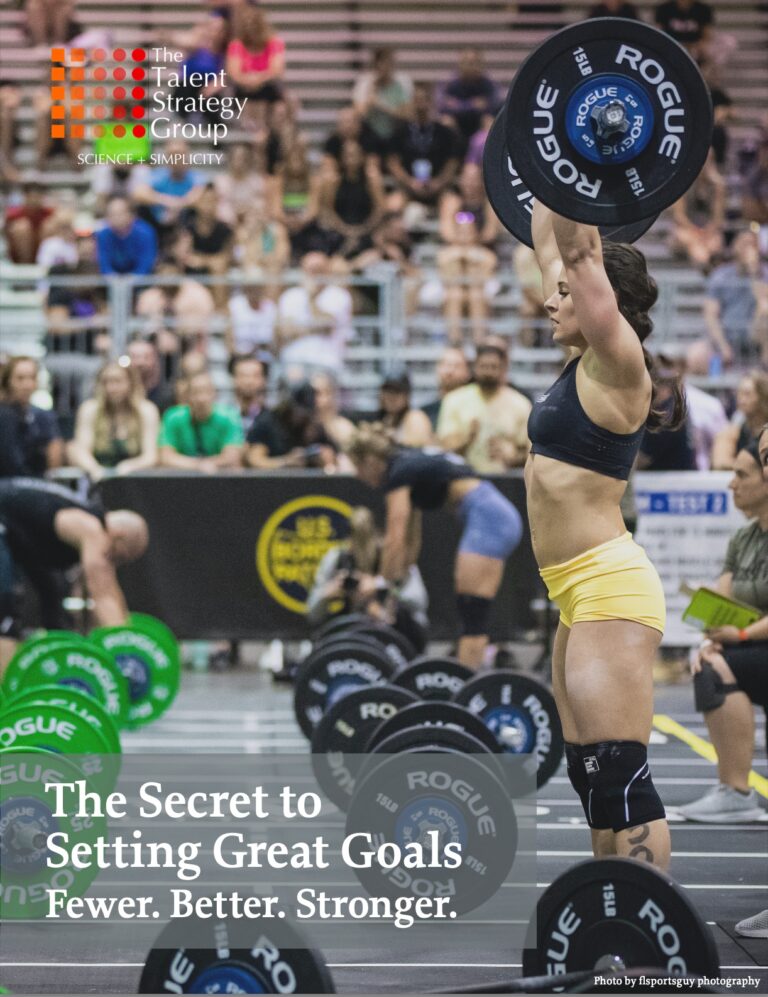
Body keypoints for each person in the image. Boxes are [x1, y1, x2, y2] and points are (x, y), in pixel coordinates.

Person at [526, 199, 687, 870]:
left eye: (566, 293)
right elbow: (548, 246)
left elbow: (579, 254)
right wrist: (546, 163)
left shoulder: (618, 362)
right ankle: (608, 910)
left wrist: (576, 173)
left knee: (620, 772)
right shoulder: (582, 359)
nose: (549, 302)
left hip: (607, 588)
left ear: (603, 302)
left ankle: (651, 939)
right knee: (590, 776)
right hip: (575, 596)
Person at [346, 423, 522, 667]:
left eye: (357, 466)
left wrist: (380, 583)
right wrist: (396, 579)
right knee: (470, 610)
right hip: (491, 512)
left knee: (473, 611)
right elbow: (411, 536)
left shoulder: (399, 472)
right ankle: (466, 681)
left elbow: (394, 537)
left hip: (489, 516)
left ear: (371, 461)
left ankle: (466, 688)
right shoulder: (409, 463)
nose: (357, 475)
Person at [680, 441, 768, 825]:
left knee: (719, 665)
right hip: (755, 647)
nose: (732, 484)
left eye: (742, 475)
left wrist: (742, 636)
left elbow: (743, 630)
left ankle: (737, 792)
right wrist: (711, 637)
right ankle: (734, 791)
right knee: (707, 660)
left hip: (756, 644)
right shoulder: (744, 539)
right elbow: (721, 597)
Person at [0, 477, 148, 642]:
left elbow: (109, 588)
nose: (114, 562)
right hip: (4, 521)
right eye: (120, 557)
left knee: (54, 598)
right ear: (119, 536)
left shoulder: (83, 512)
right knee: (5, 604)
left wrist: (124, 623)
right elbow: (102, 594)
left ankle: (55, 648)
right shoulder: (91, 528)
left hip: (16, 528)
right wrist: (125, 643)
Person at [306, 505, 429, 652]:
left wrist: (380, 585)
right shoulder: (338, 558)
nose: (360, 547)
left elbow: (419, 602)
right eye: (356, 539)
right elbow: (312, 612)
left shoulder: (392, 558)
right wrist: (329, 593)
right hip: (350, 626)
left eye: (365, 539)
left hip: (393, 630)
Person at [437, 340, 531, 473]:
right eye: (483, 366)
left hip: (507, 479)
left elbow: (529, 453)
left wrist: (512, 456)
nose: (488, 372)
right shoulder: (454, 400)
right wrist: (467, 439)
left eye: (494, 367)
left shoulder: (520, 403)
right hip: (462, 478)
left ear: (503, 369)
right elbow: (443, 448)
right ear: (475, 367)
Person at [437, 163, 499, 343]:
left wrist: (471, 243)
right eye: (467, 178)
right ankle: (454, 342)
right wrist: (464, 243)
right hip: (455, 277)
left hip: (480, 273)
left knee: (476, 294)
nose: (470, 183)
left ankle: (480, 342)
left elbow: (490, 233)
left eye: (474, 178)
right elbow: (446, 232)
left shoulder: (489, 202)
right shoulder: (453, 201)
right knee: (455, 294)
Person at [68, 361, 159, 481]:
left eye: (117, 381)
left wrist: (129, 466)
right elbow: (80, 451)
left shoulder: (147, 410)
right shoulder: (89, 410)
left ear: (131, 382)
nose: (112, 387)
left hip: (135, 483)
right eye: (106, 382)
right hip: (97, 480)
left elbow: (151, 456)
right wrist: (94, 469)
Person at [275, 252, 353, 376]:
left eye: (318, 270)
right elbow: (285, 331)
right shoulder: (290, 296)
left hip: (326, 361)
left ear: (327, 271)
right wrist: (313, 328)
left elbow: (326, 325)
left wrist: (311, 298)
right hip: (294, 361)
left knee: (319, 382)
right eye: (310, 270)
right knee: (293, 378)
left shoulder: (339, 295)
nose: (313, 275)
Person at [388, 83, 460, 209]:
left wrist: (438, 182)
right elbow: (393, 162)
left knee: (452, 205)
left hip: (438, 188)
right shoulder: (400, 131)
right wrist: (409, 182)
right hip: (408, 188)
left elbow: (452, 162)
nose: (421, 105)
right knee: (393, 205)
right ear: (411, 103)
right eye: (417, 100)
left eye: (424, 100)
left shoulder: (444, 132)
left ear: (431, 102)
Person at [704, 231, 768, 366]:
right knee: (696, 356)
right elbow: (710, 314)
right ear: (734, 247)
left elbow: (763, 303)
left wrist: (753, 272)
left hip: (756, 335)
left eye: (752, 244)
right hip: (727, 335)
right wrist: (723, 345)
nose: (748, 249)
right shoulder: (721, 275)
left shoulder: (764, 274)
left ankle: (763, 369)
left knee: (765, 309)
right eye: (744, 244)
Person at [158, 370, 243, 472]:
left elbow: (231, 457)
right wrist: (199, 465)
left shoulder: (229, 416)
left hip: (220, 477)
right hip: (182, 478)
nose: (201, 398)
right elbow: (165, 457)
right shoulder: (173, 416)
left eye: (206, 392)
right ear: (187, 395)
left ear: (214, 394)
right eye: (196, 392)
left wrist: (208, 464)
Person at [316, 139, 386, 262]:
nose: (351, 159)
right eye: (347, 155)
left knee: (375, 252)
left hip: (366, 231)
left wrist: (362, 230)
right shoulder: (334, 182)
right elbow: (328, 210)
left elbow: (379, 210)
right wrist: (346, 230)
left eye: (354, 154)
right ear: (341, 158)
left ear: (362, 157)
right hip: (340, 232)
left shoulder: (371, 181)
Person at [245, 381, 336, 470]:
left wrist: (324, 459)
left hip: (308, 481)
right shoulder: (268, 422)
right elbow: (254, 460)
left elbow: (332, 454)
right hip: (274, 481)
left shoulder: (312, 424)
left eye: (305, 413)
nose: (300, 416)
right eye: (298, 411)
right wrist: (286, 462)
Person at [0, 357, 63, 478]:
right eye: (20, 378)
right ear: (8, 381)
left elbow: (55, 451)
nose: (27, 385)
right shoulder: (4, 416)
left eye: (32, 378)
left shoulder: (44, 416)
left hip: (38, 484)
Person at [225, 6, 286, 125]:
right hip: (243, 88)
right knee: (243, 97)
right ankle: (253, 130)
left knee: (276, 97)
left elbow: (277, 71)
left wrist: (257, 79)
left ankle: (267, 130)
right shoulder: (236, 45)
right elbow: (233, 73)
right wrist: (248, 80)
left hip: (267, 87)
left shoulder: (274, 42)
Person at [669, 151, 725, 273]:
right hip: (686, 228)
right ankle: (704, 272)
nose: (705, 165)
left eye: (708, 161)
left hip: (708, 230)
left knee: (713, 244)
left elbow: (718, 219)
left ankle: (703, 272)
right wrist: (695, 231)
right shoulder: (681, 183)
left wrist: (707, 231)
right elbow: (679, 216)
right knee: (694, 244)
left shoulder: (717, 187)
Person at [637, 357, 697, 471]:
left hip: (671, 483)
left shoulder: (665, 414)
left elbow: (641, 460)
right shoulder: (672, 406)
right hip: (674, 479)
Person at [437, 48, 500, 150]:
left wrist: (459, 105)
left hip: (479, 124)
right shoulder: (449, 84)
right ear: (460, 64)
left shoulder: (489, 84)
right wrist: (472, 104)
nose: (471, 67)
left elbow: (494, 106)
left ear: (481, 65)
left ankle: (485, 157)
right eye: (467, 63)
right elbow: (442, 107)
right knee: (445, 121)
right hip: (457, 125)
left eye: (474, 63)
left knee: (489, 121)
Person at [352, 48, 413, 151]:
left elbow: (407, 114)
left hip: (395, 132)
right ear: (376, 65)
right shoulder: (365, 83)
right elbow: (359, 114)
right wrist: (370, 100)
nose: (386, 67)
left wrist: (381, 105)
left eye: (390, 63)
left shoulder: (401, 83)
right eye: (383, 63)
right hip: (371, 133)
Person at [712, 370, 768, 470]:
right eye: (740, 394)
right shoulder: (732, 432)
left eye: (747, 394)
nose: (741, 399)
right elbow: (720, 463)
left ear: (763, 396)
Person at [96, 197, 157, 276]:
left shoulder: (145, 232)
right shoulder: (102, 234)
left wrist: (134, 278)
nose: (116, 218)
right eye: (111, 214)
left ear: (131, 215)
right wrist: (112, 277)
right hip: (111, 282)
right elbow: (103, 262)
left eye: (120, 213)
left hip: (141, 280)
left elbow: (147, 261)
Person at [375, 370, 433, 447]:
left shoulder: (415, 416)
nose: (391, 397)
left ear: (406, 396)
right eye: (387, 391)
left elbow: (421, 445)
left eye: (396, 392)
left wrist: (395, 439)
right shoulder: (387, 419)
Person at [421, 347, 471, 429]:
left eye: (457, 366)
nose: (450, 371)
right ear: (437, 369)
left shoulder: (473, 409)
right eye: (446, 365)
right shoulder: (425, 413)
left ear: (467, 372)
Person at [4, 181, 53, 264]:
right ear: (25, 197)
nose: (34, 200)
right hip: (19, 257)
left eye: (37, 197)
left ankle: (45, 261)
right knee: (21, 227)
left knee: (50, 225)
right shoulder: (13, 215)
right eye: (32, 197)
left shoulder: (50, 214)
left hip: (43, 255)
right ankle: (25, 264)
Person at [127, 339, 175, 414]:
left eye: (146, 357)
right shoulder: (123, 392)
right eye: (135, 357)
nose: (140, 362)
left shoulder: (169, 392)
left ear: (155, 359)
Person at [311, 371, 355, 453]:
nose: (314, 399)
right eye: (311, 393)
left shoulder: (344, 428)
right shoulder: (301, 426)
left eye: (318, 393)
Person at [230, 354, 267, 437]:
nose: (249, 381)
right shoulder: (223, 413)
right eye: (244, 375)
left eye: (255, 376)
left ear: (263, 380)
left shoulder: (273, 416)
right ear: (234, 378)